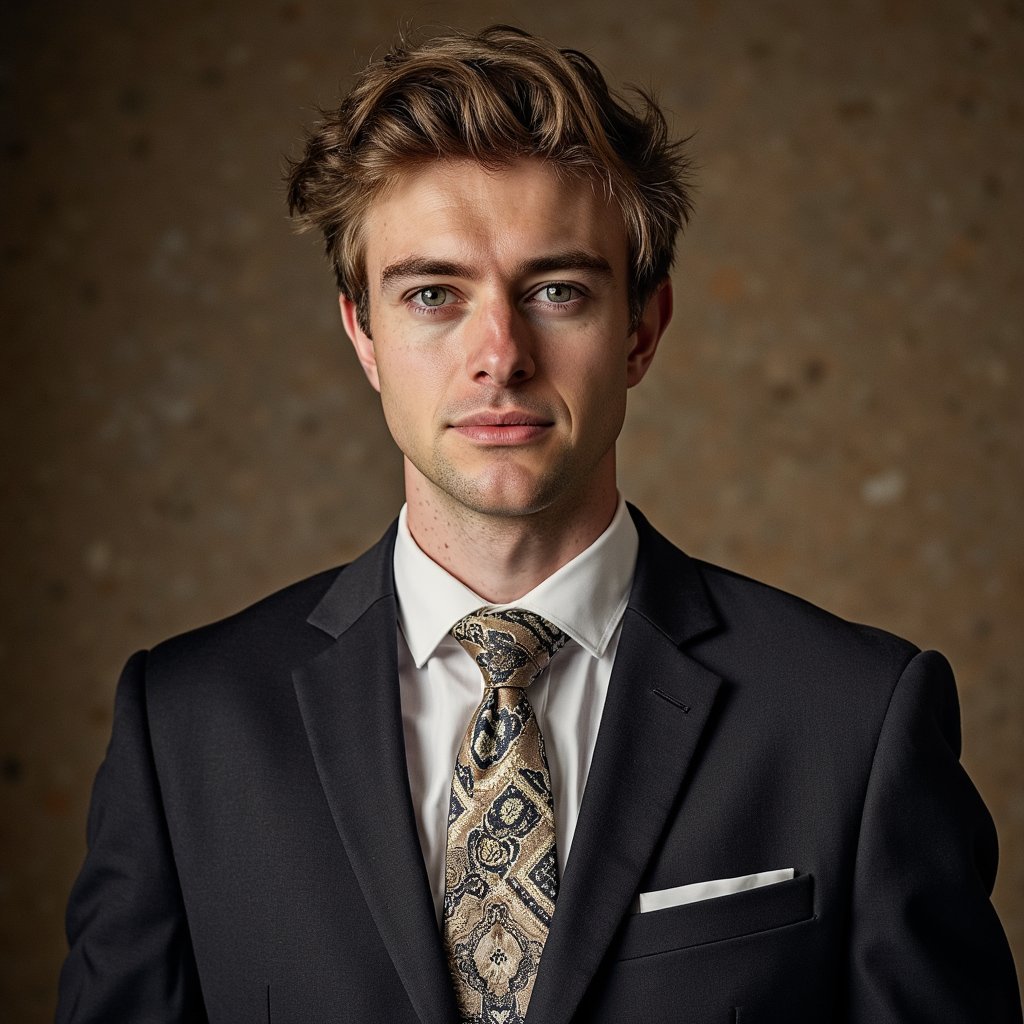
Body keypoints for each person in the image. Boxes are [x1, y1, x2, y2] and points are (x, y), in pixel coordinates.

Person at [56, 24, 1020, 1024]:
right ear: (363, 333)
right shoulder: (186, 730)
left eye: (556, 291)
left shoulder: (854, 721)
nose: (500, 355)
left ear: (642, 328)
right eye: (433, 294)